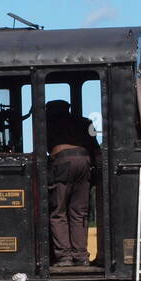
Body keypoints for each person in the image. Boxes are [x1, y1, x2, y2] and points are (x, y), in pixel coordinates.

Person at [45, 99, 100, 268]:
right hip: (84, 163)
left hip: (62, 163)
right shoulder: (86, 123)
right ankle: (81, 256)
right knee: (79, 212)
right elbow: (95, 147)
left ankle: (64, 257)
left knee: (58, 212)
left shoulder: (47, 124)